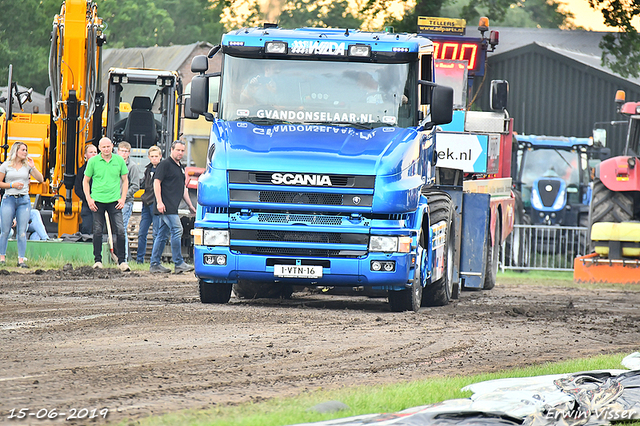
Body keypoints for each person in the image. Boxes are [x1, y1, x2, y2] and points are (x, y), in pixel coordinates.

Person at [83, 137, 131, 272]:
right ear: (99, 148)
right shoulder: (93, 161)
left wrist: (123, 198)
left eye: (108, 147)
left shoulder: (119, 160)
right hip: (97, 200)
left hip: (114, 201)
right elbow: (85, 181)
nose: (106, 149)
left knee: (120, 231)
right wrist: (89, 199)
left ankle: (122, 261)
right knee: (97, 231)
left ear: (112, 146)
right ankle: (97, 260)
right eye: (103, 147)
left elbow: (125, 180)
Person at [149, 140, 196, 273]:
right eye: (178, 150)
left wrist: (190, 206)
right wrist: (159, 201)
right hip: (166, 205)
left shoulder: (180, 167)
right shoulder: (164, 164)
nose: (180, 153)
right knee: (177, 230)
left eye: (182, 151)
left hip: (172, 206)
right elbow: (156, 182)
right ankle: (179, 263)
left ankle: (154, 264)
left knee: (162, 235)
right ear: (171, 149)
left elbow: (183, 189)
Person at [0, 141, 44, 267]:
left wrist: (33, 166)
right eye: (22, 150)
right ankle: (2, 257)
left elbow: (40, 179)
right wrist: (12, 185)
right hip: (9, 198)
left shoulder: (27, 166)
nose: (25, 152)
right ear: (16, 151)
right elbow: (0, 182)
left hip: (23, 200)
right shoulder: (6, 166)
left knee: (22, 231)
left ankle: (21, 259)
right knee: (5, 230)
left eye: (26, 150)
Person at [136, 145, 162, 264]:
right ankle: (139, 259)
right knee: (142, 233)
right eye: (152, 156)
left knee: (156, 233)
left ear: (160, 157)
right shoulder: (148, 169)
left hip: (156, 203)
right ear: (149, 157)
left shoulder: (162, 170)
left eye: (156, 156)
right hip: (146, 203)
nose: (154, 158)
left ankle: (154, 260)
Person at [117, 141, 141, 260]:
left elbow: (135, 185)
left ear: (129, 153)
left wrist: (123, 196)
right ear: (117, 151)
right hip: (112, 202)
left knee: (122, 229)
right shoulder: (114, 165)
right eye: (122, 151)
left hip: (126, 203)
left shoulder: (132, 167)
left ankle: (124, 257)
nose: (124, 153)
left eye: (126, 151)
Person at [74, 144, 98, 235]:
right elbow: (78, 189)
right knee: (86, 227)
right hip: (87, 204)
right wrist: (88, 198)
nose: (93, 154)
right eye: (91, 152)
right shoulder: (81, 171)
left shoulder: (102, 169)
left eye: (95, 152)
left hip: (100, 203)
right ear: (85, 155)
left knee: (98, 229)